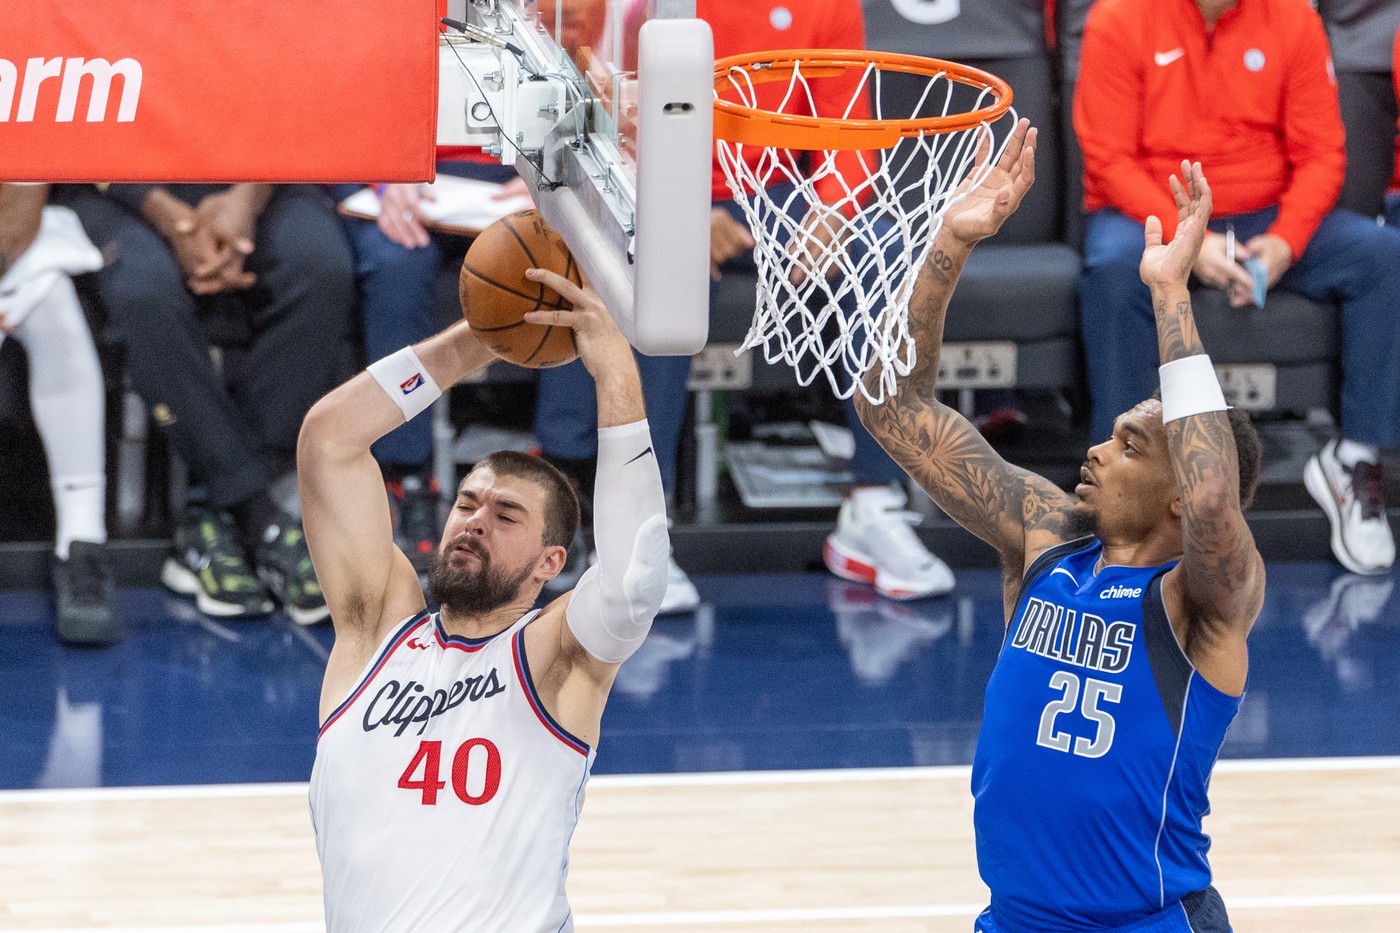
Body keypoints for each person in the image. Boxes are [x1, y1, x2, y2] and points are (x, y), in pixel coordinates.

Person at [858, 126, 1264, 932]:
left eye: (1130, 444)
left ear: (1182, 487)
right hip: (1013, 917)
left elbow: (1218, 499)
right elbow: (892, 405)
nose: (1096, 450)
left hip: (1145, 921)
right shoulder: (1048, 536)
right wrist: (951, 243)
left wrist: (1170, 296)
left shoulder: (1203, 601)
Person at [299, 264, 669, 929]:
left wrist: (616, 374)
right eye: (467, 502)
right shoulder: (374, 630)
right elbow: (329, 442)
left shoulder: (551, 656)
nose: (475, 519)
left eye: (506, 515)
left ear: (551, 562)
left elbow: (634, 580)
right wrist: (484, 336)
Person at [1075, 0, 1399, 576]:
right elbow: (1109, 158)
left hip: (1264, 213)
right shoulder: (1119, 17)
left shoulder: (1294, 17)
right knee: (1111, 272)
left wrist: (1285, 241)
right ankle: (1124, 494)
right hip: (1151, 211)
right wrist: (1189, 241)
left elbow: (1322, 153)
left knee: (1381, 256)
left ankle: (1354, 462)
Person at [59, 183, 354, 624]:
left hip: (253, 178)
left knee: (321, 266)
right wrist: (167, 214)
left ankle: (215, 517)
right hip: (113, 185)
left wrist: (245, 200)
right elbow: (78, 131)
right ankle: (258, 515)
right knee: (144, 289)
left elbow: (291, 114)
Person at [0, 183, 116, 646]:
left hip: (15, 247)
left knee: (56, 310)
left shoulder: (28, 105)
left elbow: (19, 213)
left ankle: (82, 539)